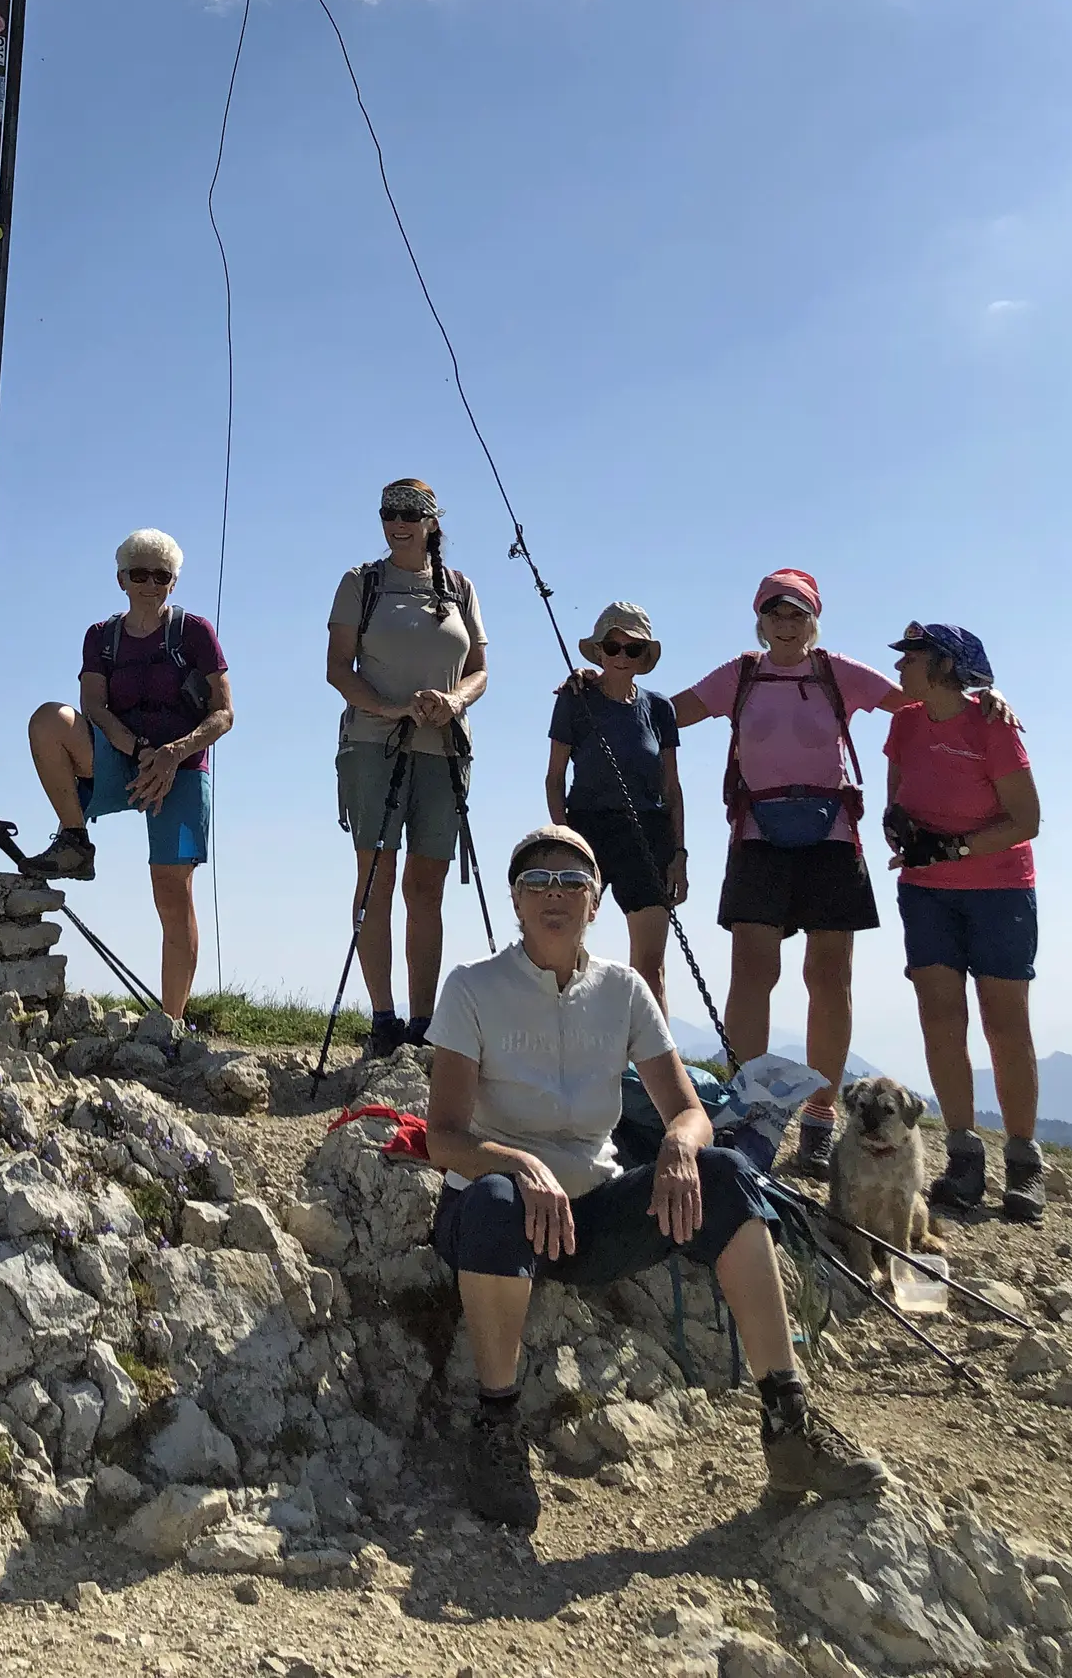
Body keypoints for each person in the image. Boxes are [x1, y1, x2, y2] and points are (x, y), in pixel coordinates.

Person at [426, 823, 886, 1531]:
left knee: (730, 1177)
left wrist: (678, 1147)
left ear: (597, 901)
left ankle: (788, 1420)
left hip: (592, 1213)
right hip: (495, 1212)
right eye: (537, 883)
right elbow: (445, 1137)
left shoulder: (624, 990)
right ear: (515, 903)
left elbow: (690, 1111)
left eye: (573, 882)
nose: (555, 895)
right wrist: (520, 1164)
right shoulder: (472, 988)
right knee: (490, 1199)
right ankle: (497, 1427)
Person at [664, 569, 898, 1182]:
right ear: (759, 618)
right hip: (758, 835)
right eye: (774, 611)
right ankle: (750, 1111)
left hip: (831, 837)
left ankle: (819, 1119)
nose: (785, 622)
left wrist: (981, 699)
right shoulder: (738, 675)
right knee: (753, 972)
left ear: (814, 617)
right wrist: (601, 688)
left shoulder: (836, 671)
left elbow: (919, 706)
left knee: (829, 975)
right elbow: (668, 714)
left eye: (796, 612)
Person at [23, 529, 233, 1019]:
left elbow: (224, 713)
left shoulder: (195, 632)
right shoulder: (102, 637)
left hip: (181, 770)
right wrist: (141, 750)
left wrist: (172, 754)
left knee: (172, 891)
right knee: (49, 720)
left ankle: (170, 1023)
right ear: (121, 579)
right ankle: (74, 839)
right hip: (123, 758)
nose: (149, 584)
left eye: (161, 576)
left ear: (173, 583)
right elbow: (91, 705)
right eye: (139, 574)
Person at [882, 622, 1043, 1222]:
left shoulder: (992, 725)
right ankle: (964, 1156)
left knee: (1005, 1022)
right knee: (941, 1018)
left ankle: (1024, 1165)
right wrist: (901, 832)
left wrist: (954, 850)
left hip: (999, 888)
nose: (901, 667)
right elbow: (896, 801)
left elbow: (1026, 818)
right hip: (927, 892)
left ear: (943, 665)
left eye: (911, 657)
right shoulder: (905, 723)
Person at [327, 478, 488, 1057]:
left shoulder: (459, 586)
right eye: (389, 513)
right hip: (374, 744)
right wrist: (392, 709)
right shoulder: (361, 584)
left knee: (429, 886)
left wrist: (455, 702)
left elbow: (480, 670)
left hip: (443, 750)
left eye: (410, 514)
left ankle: (424, 1024)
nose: (398, 522)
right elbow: (338, 669)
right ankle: (383, 1018)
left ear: (431, 523)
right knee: (376, 876)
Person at [545, 602, 685, 1015]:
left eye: (633, 648)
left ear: (644, 657)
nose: (622, 656)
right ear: (600, 652)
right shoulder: (575, 700)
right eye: (613, 646)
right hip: (588, 830)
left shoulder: (660, 709)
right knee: (561, 950)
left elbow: (672, 787)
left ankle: (652, 1065)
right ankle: (559, 1042)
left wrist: (679, 854)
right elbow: (555, 777)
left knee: (651, 966)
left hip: (649, 833)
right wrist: (565, 841)